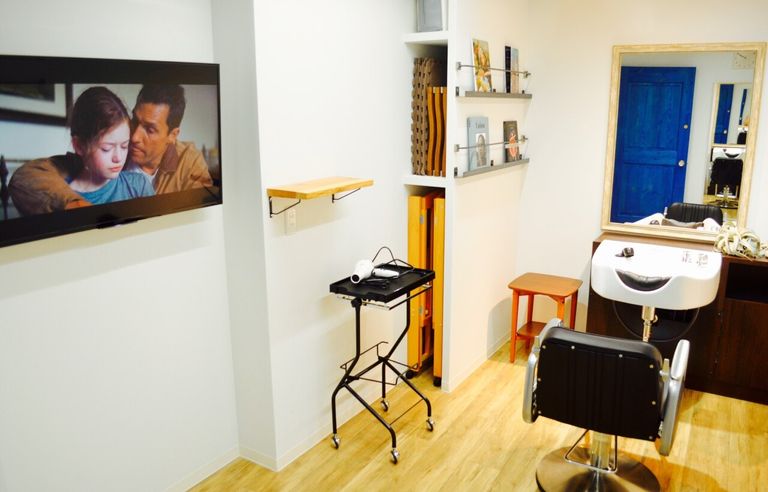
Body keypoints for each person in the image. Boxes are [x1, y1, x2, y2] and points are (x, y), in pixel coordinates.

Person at [9, 84, 212, 215]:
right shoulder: (81, 164)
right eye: (135, 121)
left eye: (150, 129)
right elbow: (28, 176)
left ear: (172, 135)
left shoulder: (188, 160)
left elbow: (202, 212)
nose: (134, 137)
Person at [66, 86, 154, 204]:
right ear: (79, 146)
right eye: (106, 149)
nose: (118, 158)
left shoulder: (138, 186)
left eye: (124, 146)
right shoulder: (61, 197)